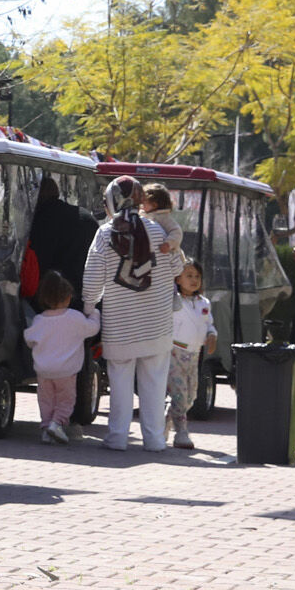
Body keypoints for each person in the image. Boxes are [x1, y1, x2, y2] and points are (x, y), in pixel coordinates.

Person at [83, 175, 185, 453]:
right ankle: (154, 440)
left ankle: (117, 437)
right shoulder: (158, 231)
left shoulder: (105, 234)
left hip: (120, 325)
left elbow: (93, 278)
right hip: (157, 324)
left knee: (120, 384)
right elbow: (177, 269)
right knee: (154, 384)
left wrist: (88, 309)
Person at [24, 270, 96, 445]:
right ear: (67, 297)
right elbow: (92, 328)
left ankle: (46, 428)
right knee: (66, 400)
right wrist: (95, 314)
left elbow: (29, 339)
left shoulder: (40, 320)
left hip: (43, 370)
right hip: (66, 371)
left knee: (46, 400)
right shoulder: (74, 318)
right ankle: (57, 424)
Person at [166, 260, 217, 450]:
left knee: (191, 396)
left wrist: (212, 335)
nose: (194, 280)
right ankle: (181, 432)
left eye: (197, 276)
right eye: (189, 276)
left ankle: (168, 416)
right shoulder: (174, 300)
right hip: (175, 352)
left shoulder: (204, 303)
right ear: (178, 279)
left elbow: (208, 323)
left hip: (195, 355)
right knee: (179, 393)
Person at [28, 176, 97, 310]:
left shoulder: (40, 222)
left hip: (52, 300)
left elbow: (37, 261)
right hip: (86, 297)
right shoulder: (86, 217)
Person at [141, 183, 182, 255]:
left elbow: (176, 231)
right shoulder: (142, 214)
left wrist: (168, 244)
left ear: (154, 205)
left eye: (143, 203)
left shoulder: (164, 218)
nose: (141, 205)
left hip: (168, 257)